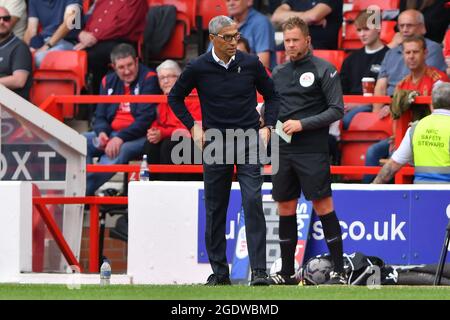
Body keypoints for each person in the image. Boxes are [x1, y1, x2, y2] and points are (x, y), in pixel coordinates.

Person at [168, 15, 280, 286]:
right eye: (227, 37)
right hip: (215, 143)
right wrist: (193, 125)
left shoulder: (251, 63)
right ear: (212, 39)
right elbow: (174, 97)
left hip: (249, 140)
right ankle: (220, 274)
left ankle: (260, 273)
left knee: (253, 202)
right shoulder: (198, 66)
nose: (233, 41)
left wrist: (270, 127)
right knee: (216, 208)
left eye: (236, 36)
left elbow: (273, 95)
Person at [270, 17, 346, 285]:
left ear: (307, 40)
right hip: (282, 149)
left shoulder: (324, 69)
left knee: (323, 205)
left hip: (312, 149)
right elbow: (273, 110)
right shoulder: (277, 73)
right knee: (286, 207)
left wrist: (301, 124)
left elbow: (337, 109)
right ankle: (287, 273)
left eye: (295, 40)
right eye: (286, 40)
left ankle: (339, 270)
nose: (290, 45)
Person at [363, 35, 449, 183]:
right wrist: (395, 138)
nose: (411, 56)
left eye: (415, 52)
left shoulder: (438, 80)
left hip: (426, 138)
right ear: (403, 55)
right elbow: (396, 117)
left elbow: (438, 117)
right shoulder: (402, 84)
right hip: (405, 137)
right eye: (407, 53)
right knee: (372, 152)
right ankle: (369, 196)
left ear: (425, 53)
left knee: (393, 163)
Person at [83, 43, 159, 196]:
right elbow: (100, 115)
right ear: (113, 67)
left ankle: (81, 192)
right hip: (112, 133)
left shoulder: (149, 78)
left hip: (139, 136)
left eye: (130, 65)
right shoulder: (107, 81)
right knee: (80, 141)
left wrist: (119, 138)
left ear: (137, 61)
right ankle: (84, 191)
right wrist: (102, 132)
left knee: (120, 149)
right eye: (121, 67)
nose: (127, 71)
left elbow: (145, 119)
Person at [372, 81, 450, 184]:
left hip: (419, 193)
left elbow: (392, 166)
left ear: (432, 104)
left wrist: (373, 186)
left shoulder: (415, 128)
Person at [143, 60, 202, 181]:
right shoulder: (163, 100)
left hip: (195, 140)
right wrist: (154, 131)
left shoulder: (193, 95)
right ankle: (153, 187)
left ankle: (167, 188)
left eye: (170, 76)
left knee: (170, 144)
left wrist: (163, 133)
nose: (165, 81)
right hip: (174, 139)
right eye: (162, 78)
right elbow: (159, 123)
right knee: (150, 145)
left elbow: (190, 125)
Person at [74, 0, 148, 95]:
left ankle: (97, 99)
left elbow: (123, 26)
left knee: (92, 56)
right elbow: (93, 20)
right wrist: (82, 34)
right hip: (97, 41)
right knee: (72, 54)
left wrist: (95, 37)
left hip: (122, 41)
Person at [340, 10, 389, 129]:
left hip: (374, 106)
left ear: (378, 28)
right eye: (359, 30)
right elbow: (341, 88)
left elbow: (390, 91)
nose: (362, 34)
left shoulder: (390, 56)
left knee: (345, 121)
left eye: (366, 29)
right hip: (348, 106)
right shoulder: (351, 59)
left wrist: (357, 104)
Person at [23, 0, 83, 68]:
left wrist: (47, 46)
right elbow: (31, 29)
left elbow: (68, 24)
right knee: (20, 59)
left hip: (69, 41)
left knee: (39, 59)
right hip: (43, 40)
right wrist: (23, 50)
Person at [271, 0, 343, 50]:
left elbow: (313, 16)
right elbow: (276, 17)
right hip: (292, 43)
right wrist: (307, 17)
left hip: (320, 46)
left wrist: (287, 19)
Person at [225, 0, 276, 69]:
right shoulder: (223, 24)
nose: (231, 3)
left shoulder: (261, 23)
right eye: (228, 0)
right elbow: (210, 58)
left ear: (249, 1)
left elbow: (262, 65)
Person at [0, 6, 32, 100]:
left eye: (6, 19)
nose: (2, 22)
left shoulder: (19, 47)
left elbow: (19, 81)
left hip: (13, 107)